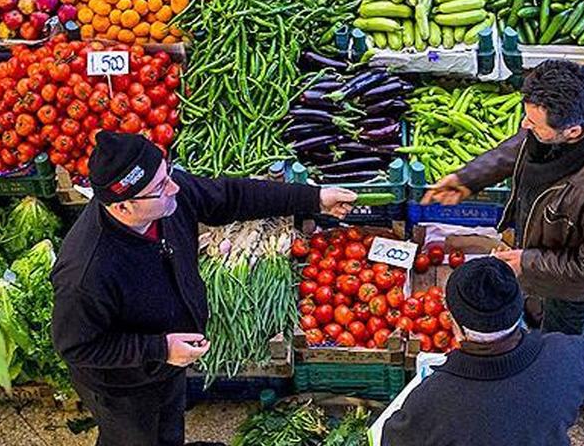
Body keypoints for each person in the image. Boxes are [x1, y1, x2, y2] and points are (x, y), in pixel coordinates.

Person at [51, 130, 356, 446]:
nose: (175, 187)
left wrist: (314, 198)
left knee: (168, 426)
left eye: (167, 173)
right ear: (124, 207)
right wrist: (160, 349)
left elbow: (229, 196)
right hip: (124, 386)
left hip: (166, 363)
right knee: (136, 438)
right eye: (160, 187)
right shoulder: (86, 272)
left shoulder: (166, 200)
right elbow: (75, 347)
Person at [421, 59, 584, 342]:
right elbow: (527, 142)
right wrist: (470, 177)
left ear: (573, 132)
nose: (525, 125)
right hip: (549, 248)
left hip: (573, 291)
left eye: (535, 123)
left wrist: (527, 262)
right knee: (540, 309)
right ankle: (537, 311)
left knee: (562, 344)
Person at [381, 258, 584, 446]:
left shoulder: (429, 403)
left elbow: (391, 439)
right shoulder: (571, 355)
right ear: (518, 310)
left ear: (455, 325)